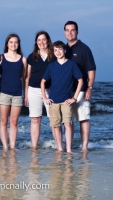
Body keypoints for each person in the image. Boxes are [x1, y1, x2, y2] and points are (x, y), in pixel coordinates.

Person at [41, 41, 83, 152]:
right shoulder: (51, 66)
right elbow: (43, 81)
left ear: (64, 50)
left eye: (60, 49)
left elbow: (80, 80)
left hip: (66, 101)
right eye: (55, 50)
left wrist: (74, 98)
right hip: (53, 100)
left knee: (68, 124)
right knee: (56, 125)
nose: (58, 52)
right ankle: (59, 148)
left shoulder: (71, 64)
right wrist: (44, 97)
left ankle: (68, 149)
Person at [64, 21, 96, 151]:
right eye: (67, 30)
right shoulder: (63, 49)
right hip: (66, 91)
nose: (70, 32)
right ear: (64, 32)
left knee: (83, 119)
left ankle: (84, 148)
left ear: (77, 31)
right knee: (68, 121)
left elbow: (92, 69)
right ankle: (69, 147)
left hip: (82, 90)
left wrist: (89, 87)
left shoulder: (84, 49)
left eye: (72, 30)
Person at [25, 31, 56, 149]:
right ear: (36, 42)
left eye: (44, 39)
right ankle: (34, 147)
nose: (41, 42)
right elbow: (27, 76)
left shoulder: (54, 56)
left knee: (54, 119)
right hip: (34, 90)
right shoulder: (32, 57)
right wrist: (26, 95)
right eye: (39, 40)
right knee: (35, 119)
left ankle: (59, 146)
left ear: (48, 41)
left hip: (50, 91)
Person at [0, 34, 27, 150]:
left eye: (16, 42)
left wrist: (25, 95)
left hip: (17, 94)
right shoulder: (1, 58)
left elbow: (24, 78)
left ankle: (13, 147)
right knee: (4, 121)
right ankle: (5, 147)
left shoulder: (23, 59)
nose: (13, 44)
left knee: (14, 122)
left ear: (18, 44)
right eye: (11, 42)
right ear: (7, 43)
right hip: (4, 92)